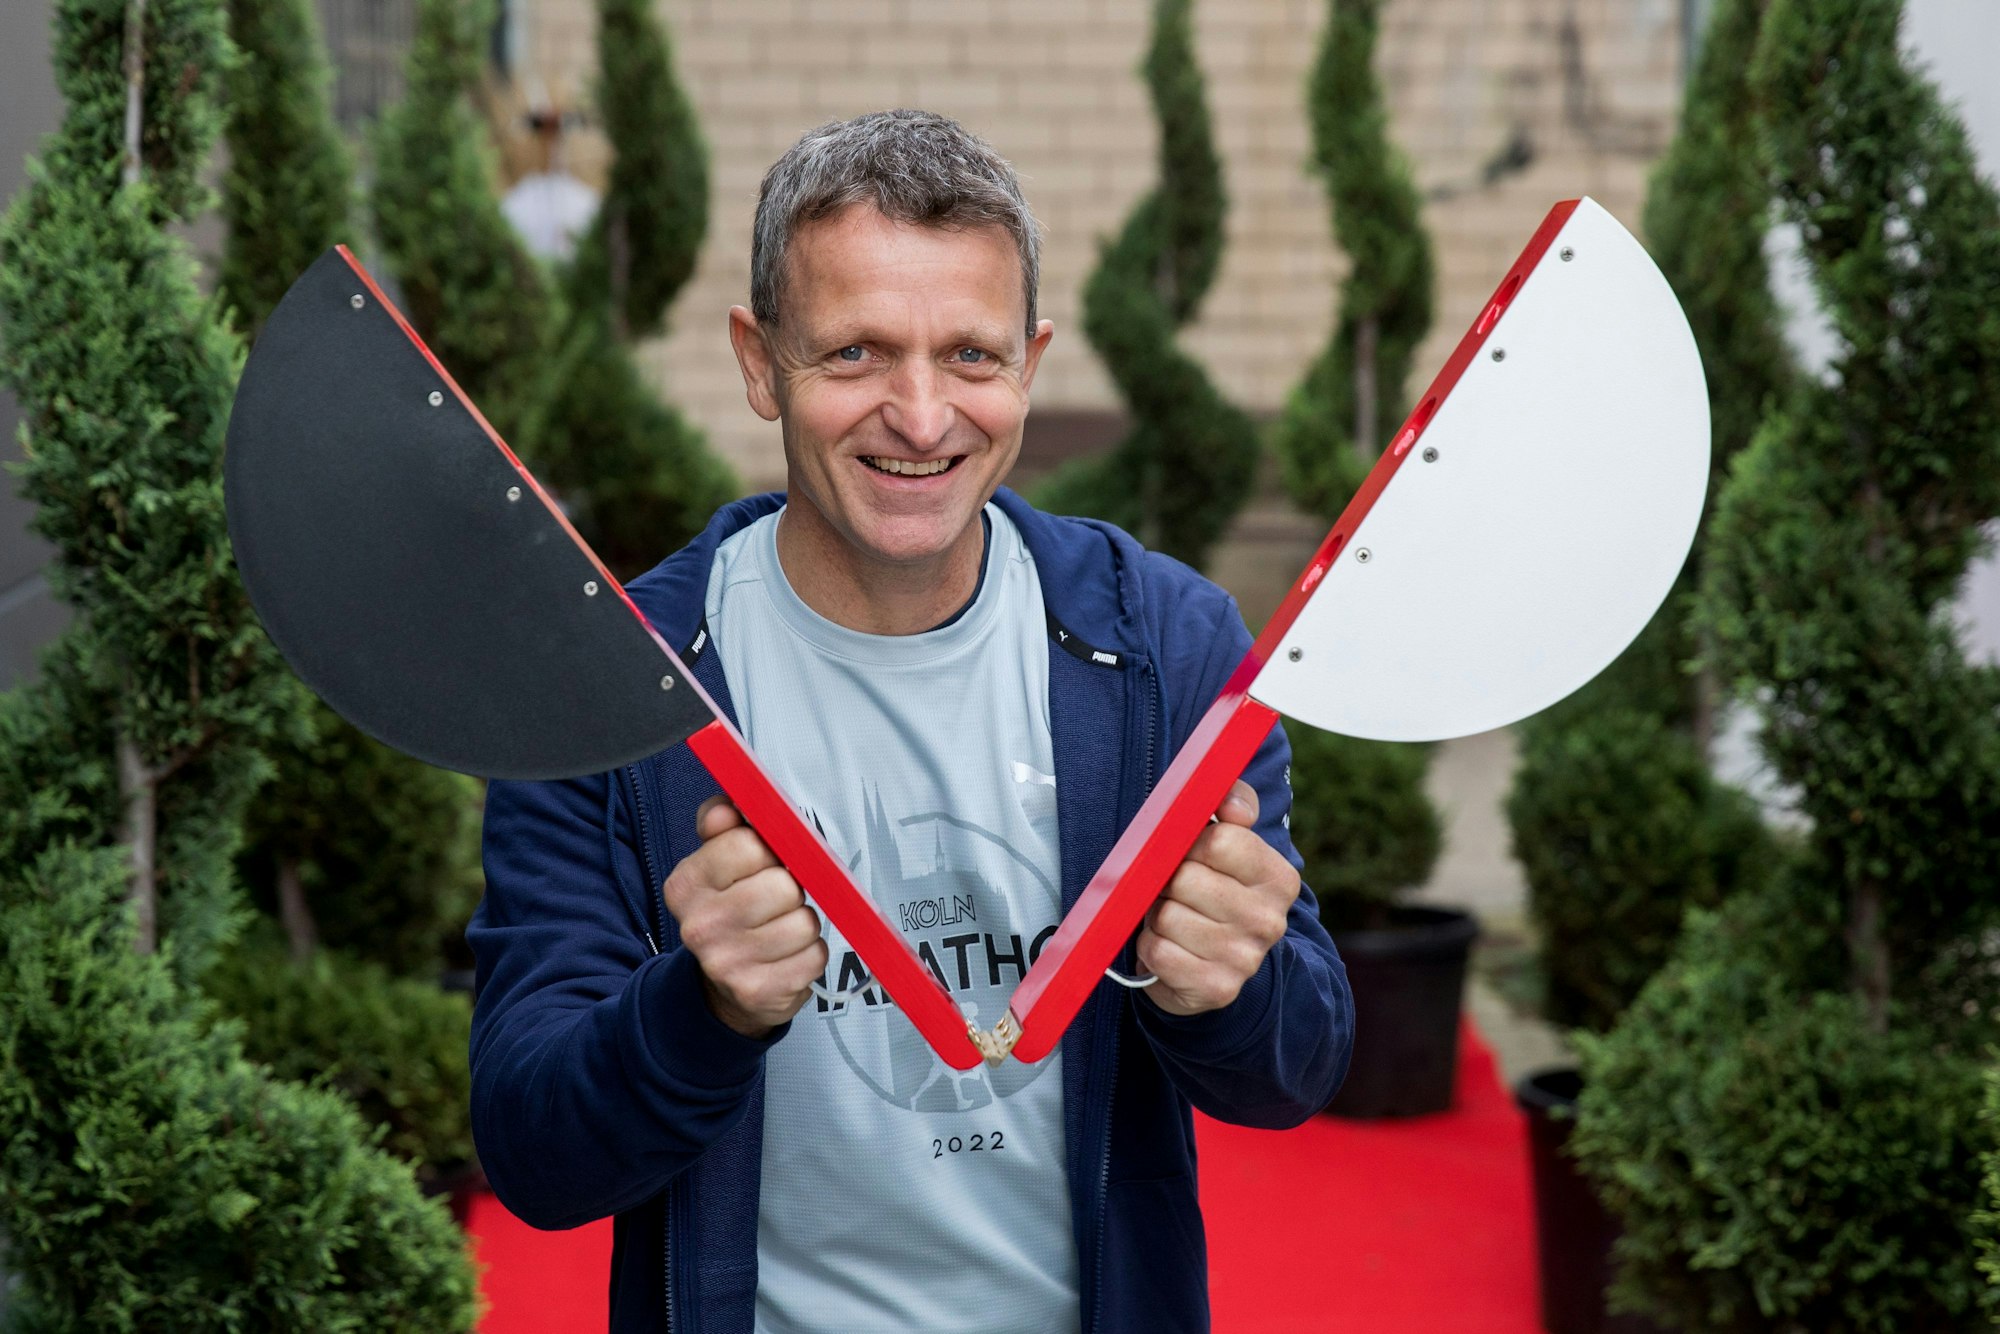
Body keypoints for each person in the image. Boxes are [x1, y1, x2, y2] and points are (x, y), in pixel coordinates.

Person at [470, 108, 1353, 1334]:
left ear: (1031, 365)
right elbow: (533, 1150)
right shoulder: (613, 686)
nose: (923, 415)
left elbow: (1294, 1069)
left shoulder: (1164, 646)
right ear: (755, 357)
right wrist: (700, 1007)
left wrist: (1233, 990)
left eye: (972, 358)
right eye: (855, 355)